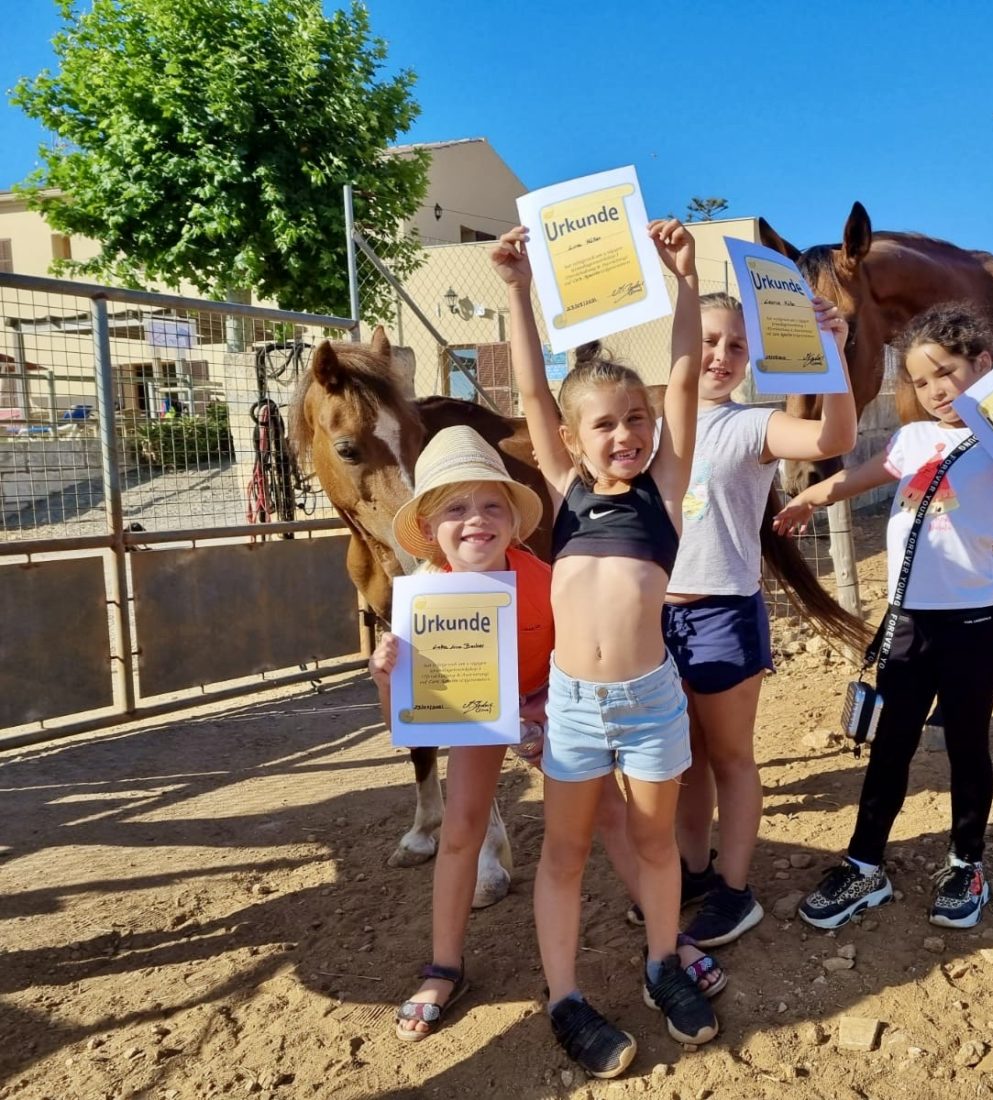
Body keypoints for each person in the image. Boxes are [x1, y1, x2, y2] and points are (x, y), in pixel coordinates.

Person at [772, 302, 993, 931]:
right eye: (921, 381)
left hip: (976, 629)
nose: (935, 391)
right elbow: (861, 476)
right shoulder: (911, 438)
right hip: (907, 624)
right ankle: (864, 863)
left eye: (946, 373)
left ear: (981, 365)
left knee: (966, 747)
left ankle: (965, 863)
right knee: (890, 748)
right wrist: (810, 498)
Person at [491, 218, 714, 1079]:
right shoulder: (568, 490)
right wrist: (517, 288)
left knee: (656, 850)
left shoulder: (665, 484)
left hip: (653, 702)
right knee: (566, 853)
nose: (623, 434)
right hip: (576, 708)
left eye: (635, 419)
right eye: (605, 426)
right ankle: (566, 999)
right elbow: (535, 399)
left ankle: (663, 966)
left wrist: (684, 282)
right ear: (576, 441)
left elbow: (688, 374)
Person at [655, 291, 857, 948]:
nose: (718, 355)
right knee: (682, 764)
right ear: (683, 341)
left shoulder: (749, 426)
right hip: (653, 621)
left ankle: (735, 892)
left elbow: (834, 438)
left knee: (731, 758)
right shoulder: (646, 422)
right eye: (708, 340)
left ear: (749, 359)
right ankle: (692, 874)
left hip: (721, 616)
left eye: (735, 346)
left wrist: (832, 352)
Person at [369, 425, 550, 1042]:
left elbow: (578, 653)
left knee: (605, 813)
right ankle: (445, 964)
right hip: (478, 718)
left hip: (546, 711)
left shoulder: (546, 581)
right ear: (431, 525)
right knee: (459, 829)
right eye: (456, 507)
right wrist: (385, 673)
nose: (477, 520)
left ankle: (662, 938)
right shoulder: (425, 602)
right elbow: (408, 714)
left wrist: (546, 705)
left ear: (512, 517)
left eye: (492, 504)